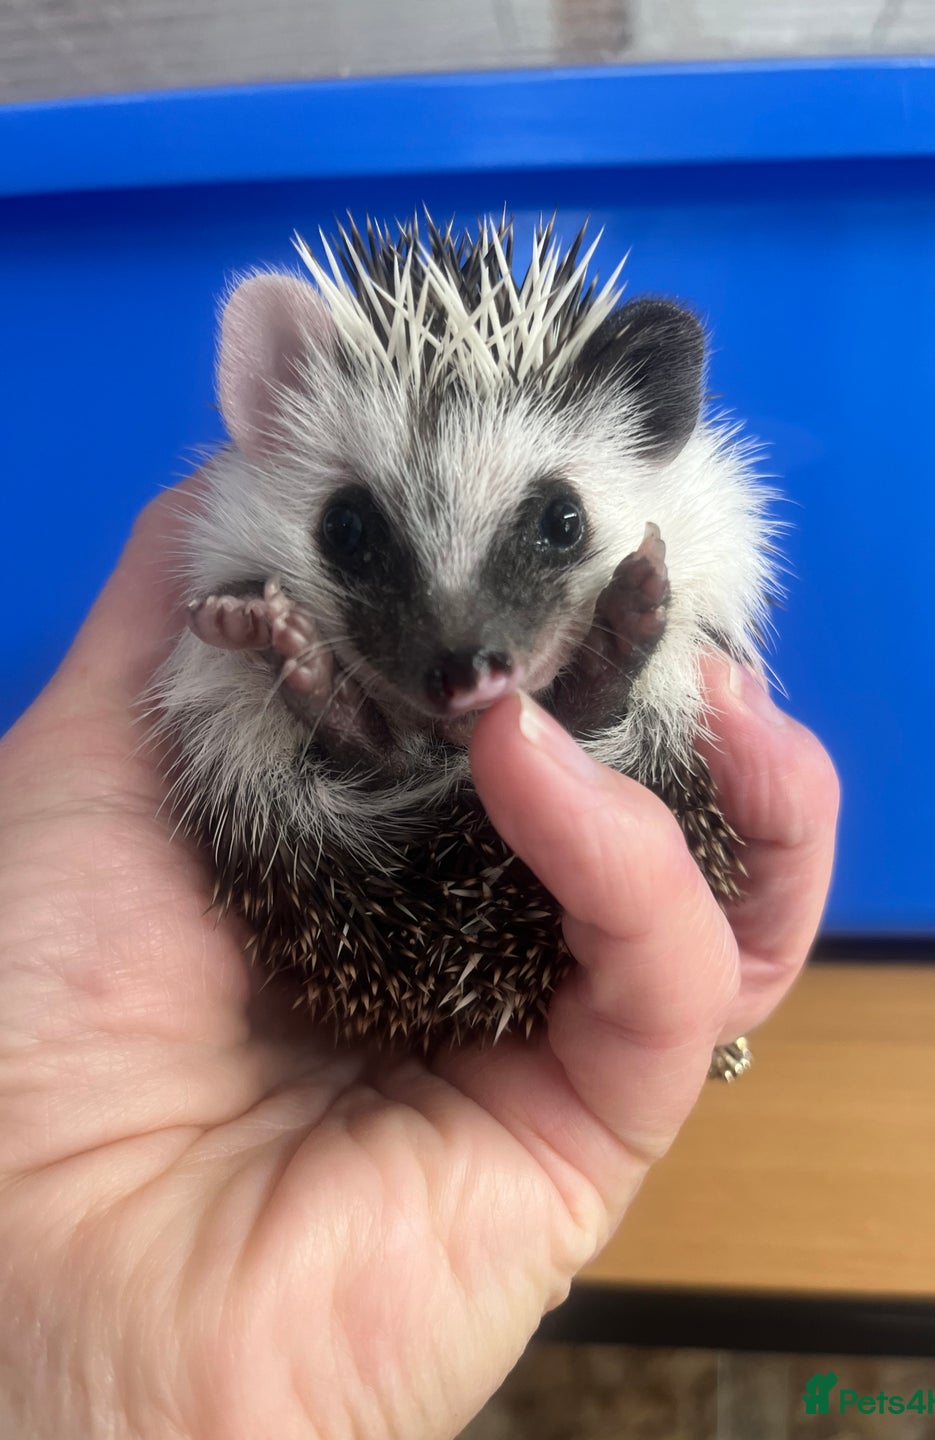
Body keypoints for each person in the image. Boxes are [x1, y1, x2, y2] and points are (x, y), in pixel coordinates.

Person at [0, 486, 839, 1440]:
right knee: (275, 773)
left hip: (403, 856)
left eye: (554, 530)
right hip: (348, 869)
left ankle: (425, 701)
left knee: (631, 759)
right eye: (358, 536)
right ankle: (446, 705)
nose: (458, 645)